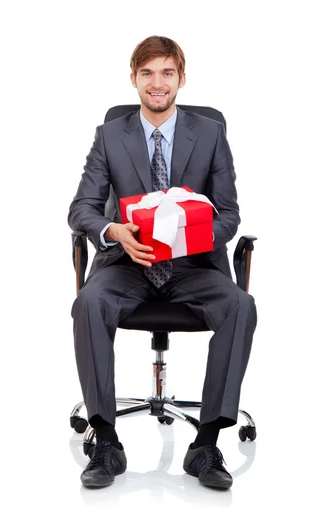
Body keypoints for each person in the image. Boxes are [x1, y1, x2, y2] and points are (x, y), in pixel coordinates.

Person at [68, 35, 257, 490]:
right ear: (133, 79)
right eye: (148, 73)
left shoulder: (209, 133)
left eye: (167, 73)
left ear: (181, 79)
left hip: (192, 267)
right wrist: (112, 231)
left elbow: (228, 214)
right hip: (127, 263)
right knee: (89, 303)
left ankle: (206, 443)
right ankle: (107, 440)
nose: (157, 83)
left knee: (240, 306)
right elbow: (82, 208)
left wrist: (188, 236)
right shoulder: (110, 135)